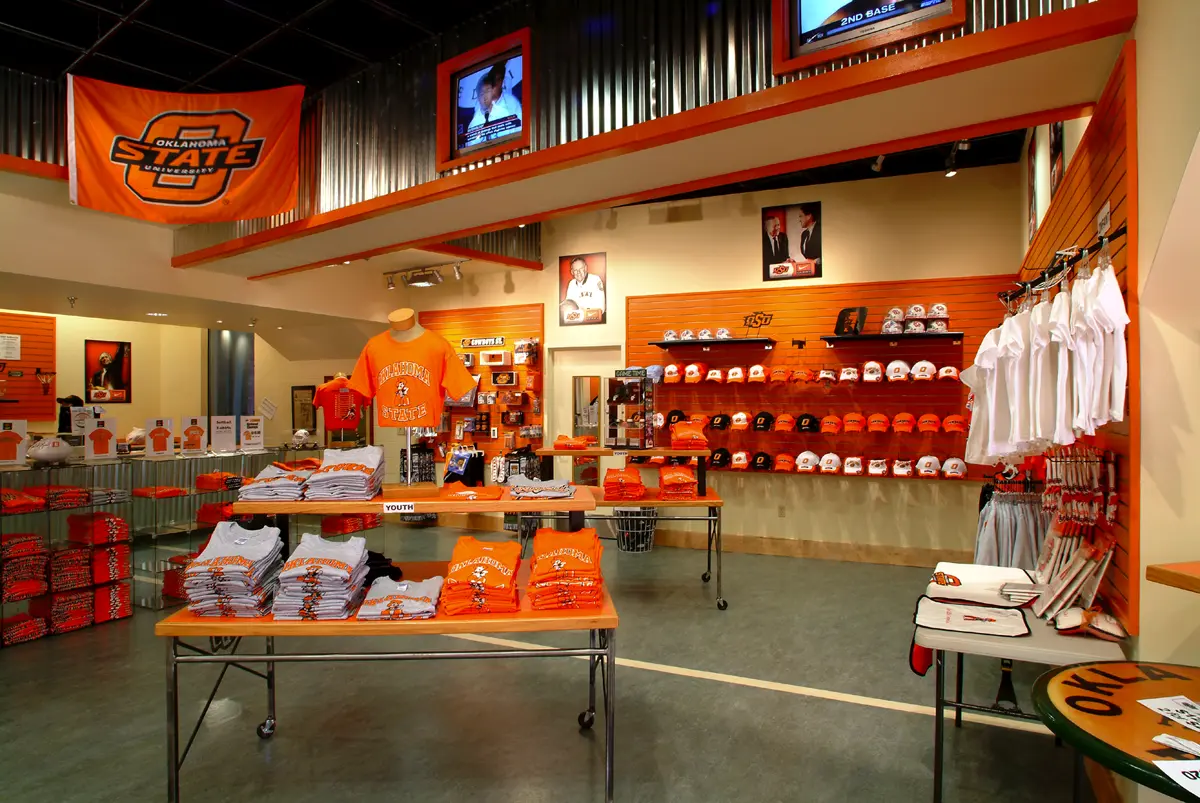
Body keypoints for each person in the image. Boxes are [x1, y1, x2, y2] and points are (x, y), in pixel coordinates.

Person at [466, 61, 522, 146]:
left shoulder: (506, 110)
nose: (485, 97)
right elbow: (470, 147)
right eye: (482, 93)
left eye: (487, 91)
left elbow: (518, 133)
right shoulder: (474, 123)